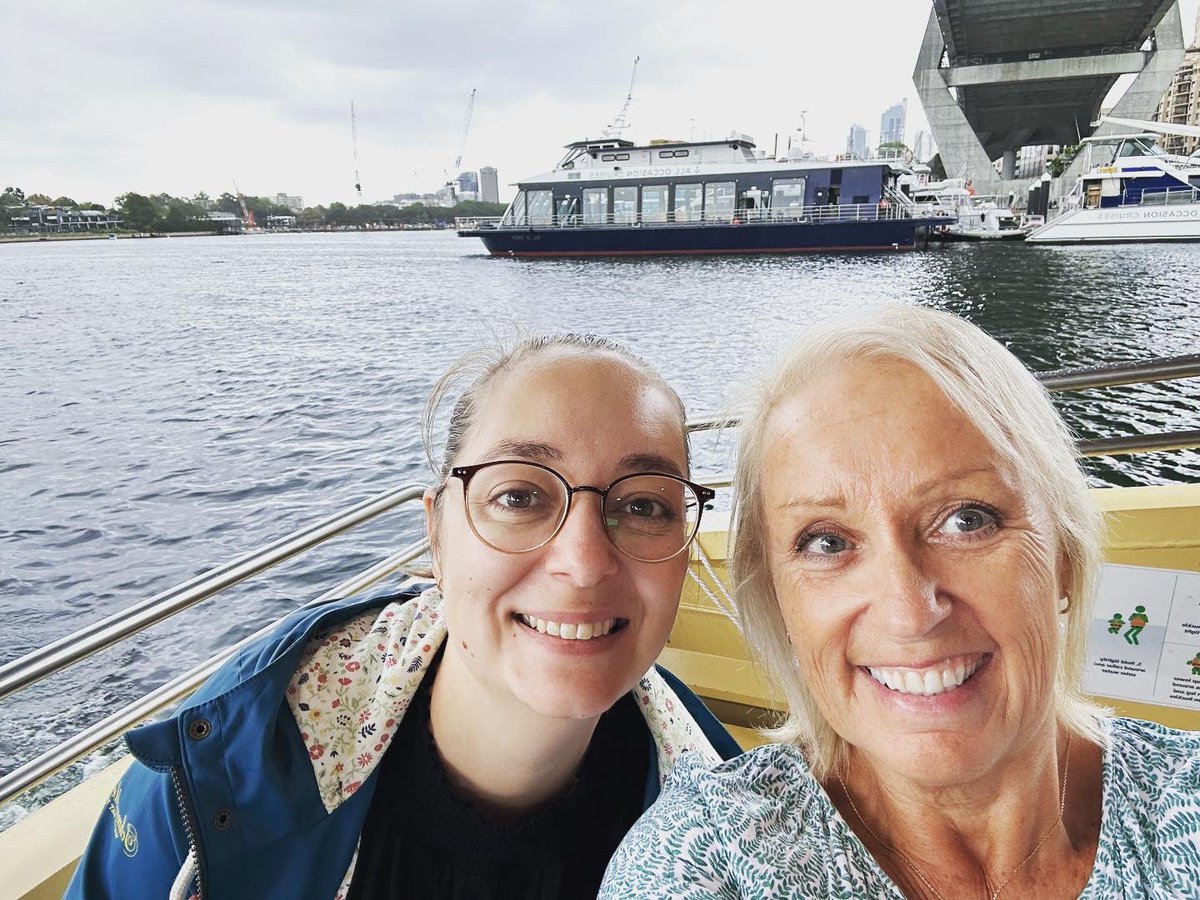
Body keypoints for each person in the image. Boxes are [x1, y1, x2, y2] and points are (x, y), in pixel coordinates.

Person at [67, 334, 740, 899]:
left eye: (645, 505)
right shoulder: (237, 761)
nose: (585, 561)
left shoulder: (731, 827)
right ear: (437, 537)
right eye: (519, 495)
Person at [601, 306, 1200, 898]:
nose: (909, 613)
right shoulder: (703, 862)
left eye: (967, 520)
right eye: (827, 542)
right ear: (779, 605)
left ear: (1063, 556)